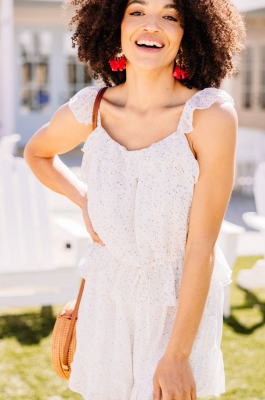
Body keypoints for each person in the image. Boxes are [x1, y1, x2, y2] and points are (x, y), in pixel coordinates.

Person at [24, 0, 246, 398]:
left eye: (171, 15)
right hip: (106, 299)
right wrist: (83, 199)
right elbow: (37, 153)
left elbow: (201, 246)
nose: (152, 25)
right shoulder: (92, 108)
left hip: (177, 308)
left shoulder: (209, 115)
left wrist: (177, 355)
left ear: (189, 32)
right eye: (137, 11)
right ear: (114, 25)